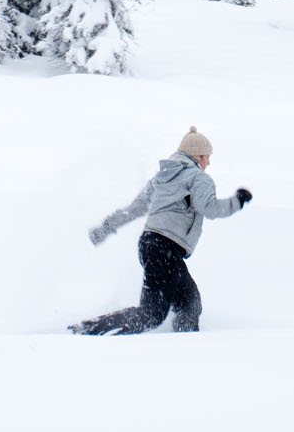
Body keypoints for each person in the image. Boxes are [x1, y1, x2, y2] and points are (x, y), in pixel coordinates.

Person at [71, 126, 252, 335]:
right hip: (165, 248)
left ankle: (184, 344)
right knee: (152, 314)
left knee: (190, 303)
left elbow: (134, 209)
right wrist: (238, 201)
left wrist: (106, 228)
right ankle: (86, 329)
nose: (208, 163)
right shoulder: (198, 178)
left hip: (151, 245)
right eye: (207, 157)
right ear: (198, 156)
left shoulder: (162, 177)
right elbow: (209, 208)